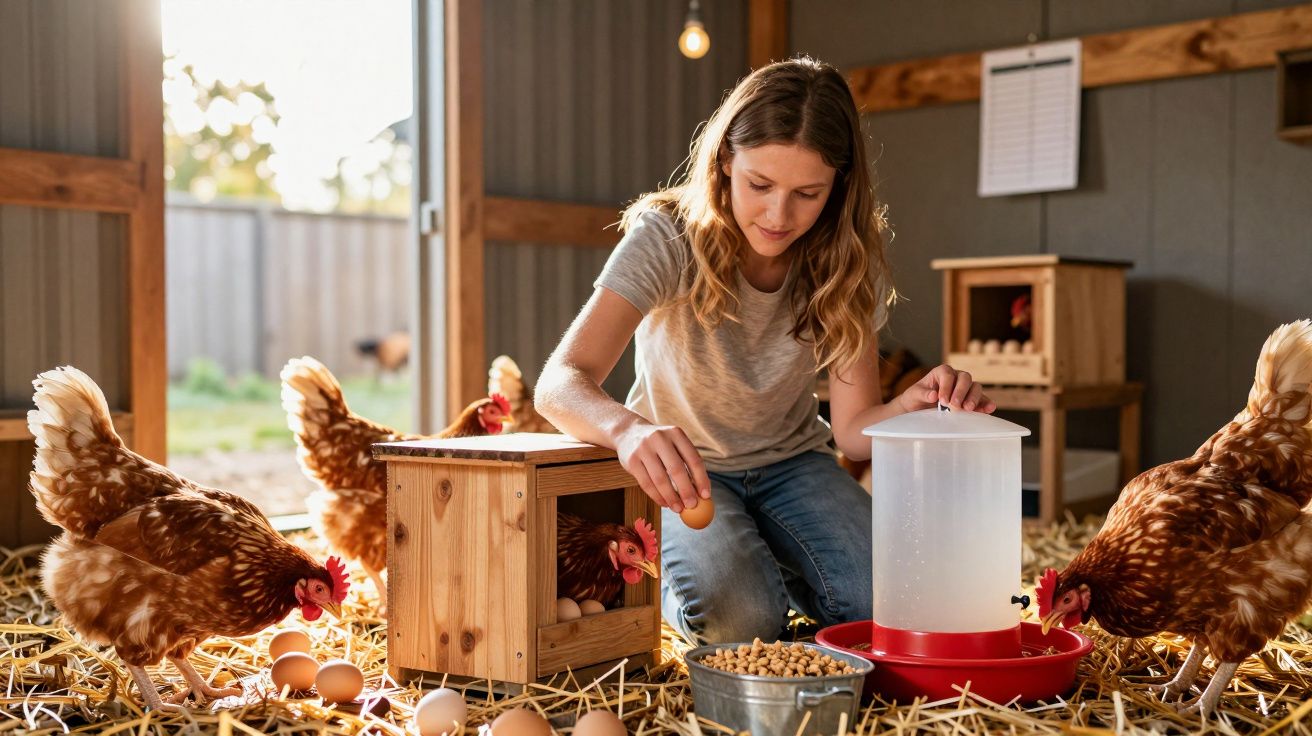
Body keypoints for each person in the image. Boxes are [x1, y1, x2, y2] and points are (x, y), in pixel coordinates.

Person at [534, 57, 996, 645]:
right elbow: (560, 381)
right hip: (687, 472)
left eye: (808, 193)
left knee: (892, 607)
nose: (779, 216)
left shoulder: (843, 259)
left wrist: (915, 404)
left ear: (840, 186)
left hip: (795, 465)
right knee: (743, 624)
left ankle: (767, 558)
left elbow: (853, 433)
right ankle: (684, 587)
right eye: (759, 185)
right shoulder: (668, 237)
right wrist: (628, 431)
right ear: (725, 160)